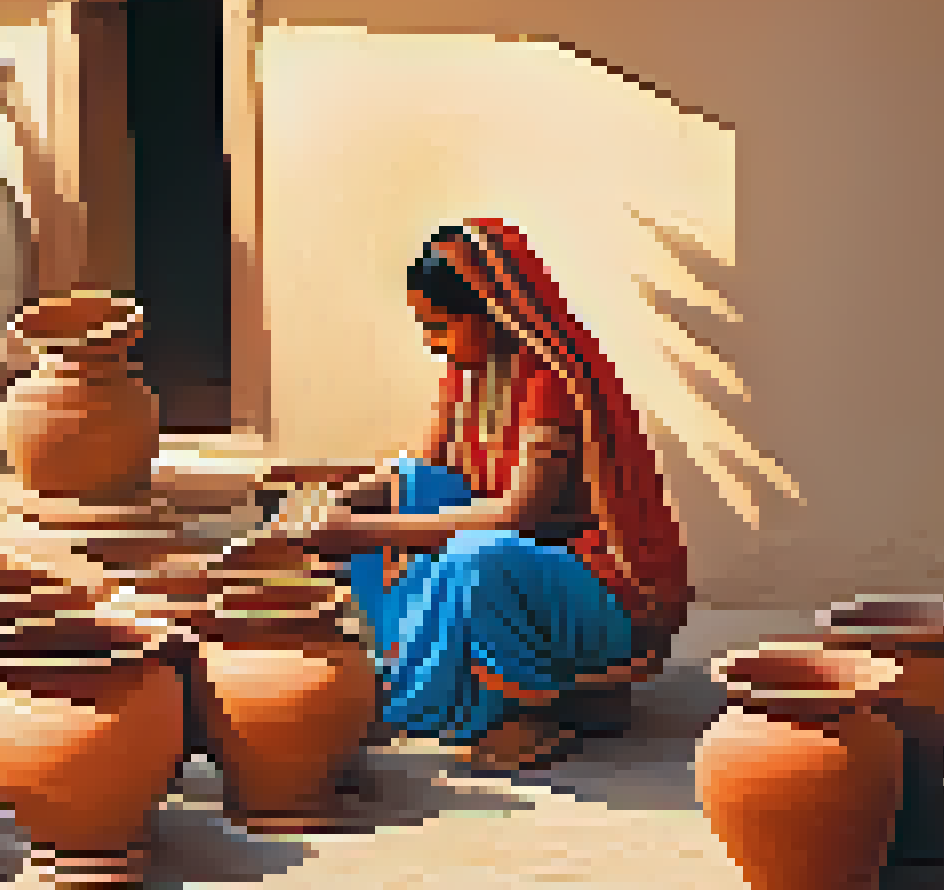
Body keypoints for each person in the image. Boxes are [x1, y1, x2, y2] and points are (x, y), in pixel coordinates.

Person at [275, 219, 693, 772]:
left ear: (489, 310)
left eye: (441, 326)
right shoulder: (467, 376)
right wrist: (336, 504)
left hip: (598, 593)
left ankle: (531, 710)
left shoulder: (549, 381)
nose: (432, 343)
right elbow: (416, 471)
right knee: (412, 493)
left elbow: (521, 513)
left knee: (478, 559)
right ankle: (426, 678)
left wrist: (363, 530)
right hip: (522, 571)